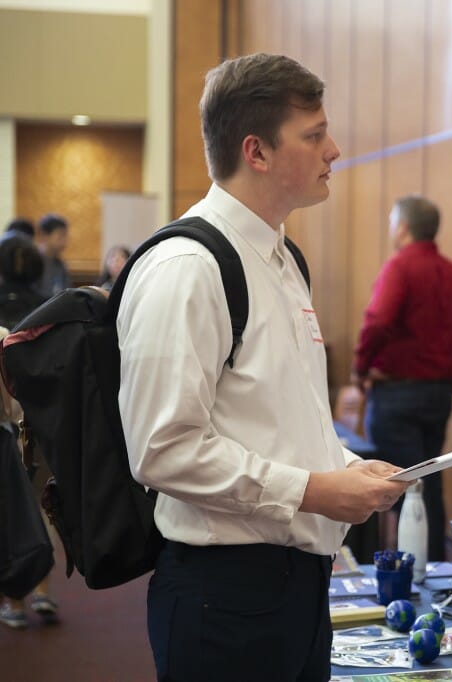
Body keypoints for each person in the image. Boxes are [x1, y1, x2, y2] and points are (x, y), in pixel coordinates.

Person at [116, 53, 411, 682]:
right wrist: (314, 490)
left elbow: (282, 415)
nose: (334, 149)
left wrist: (348, 468)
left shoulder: (283, 260)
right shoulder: (187, 269)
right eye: (313, 135)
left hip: (296, 590)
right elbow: (161, 449)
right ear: (257, 152)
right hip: (224, 596)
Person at [353, 195, 452, 562]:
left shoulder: (400, 268)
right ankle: (432, 568)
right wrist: (450, 382)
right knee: (429, 482)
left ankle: (398, 570)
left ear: (403, 227)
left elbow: (377, 322)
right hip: (438, 396)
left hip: (395, 395)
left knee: (397, 486)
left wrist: (360, 369)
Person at [0, 238, 58, 630]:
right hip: (36, 424)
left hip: (9, 431)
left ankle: (14, 602)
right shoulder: (45, 305)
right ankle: (42, 591)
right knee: (33, 512)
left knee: (9, 517)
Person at [33, 213, 71, 298]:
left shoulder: (60, 264)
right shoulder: (33, 261)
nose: (64, 241)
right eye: (60, 235)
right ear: (44, 235)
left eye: (65, 236)